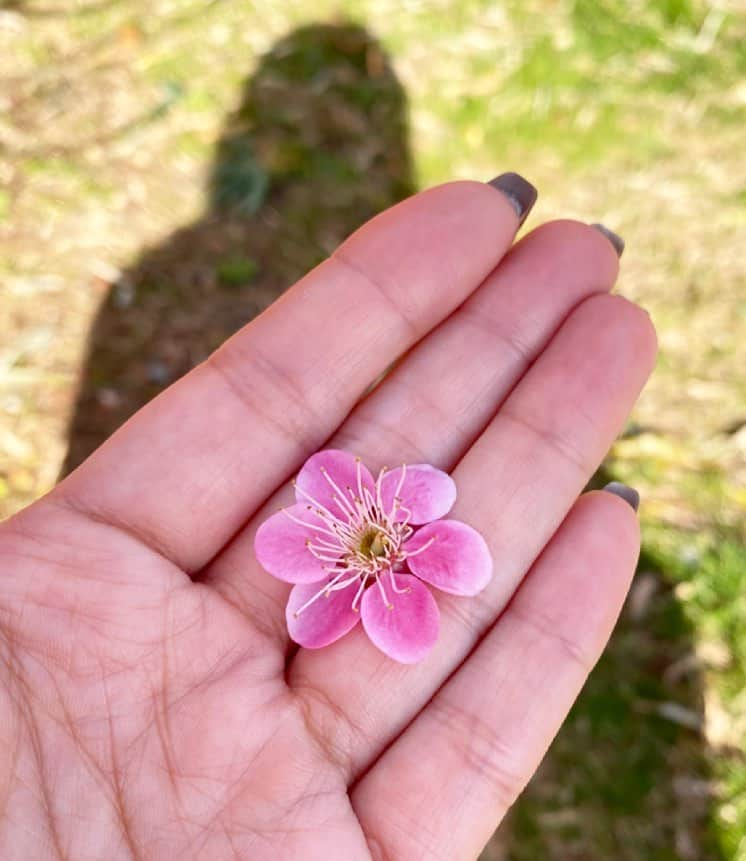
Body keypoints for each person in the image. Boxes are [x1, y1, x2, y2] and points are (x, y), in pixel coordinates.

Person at [0, 174, 656, 859]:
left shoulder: (406, 516)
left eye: (376, 537)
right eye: (371, 539)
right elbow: (314, 568)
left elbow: (410, 495)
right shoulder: (332, 554)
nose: (374, 542)